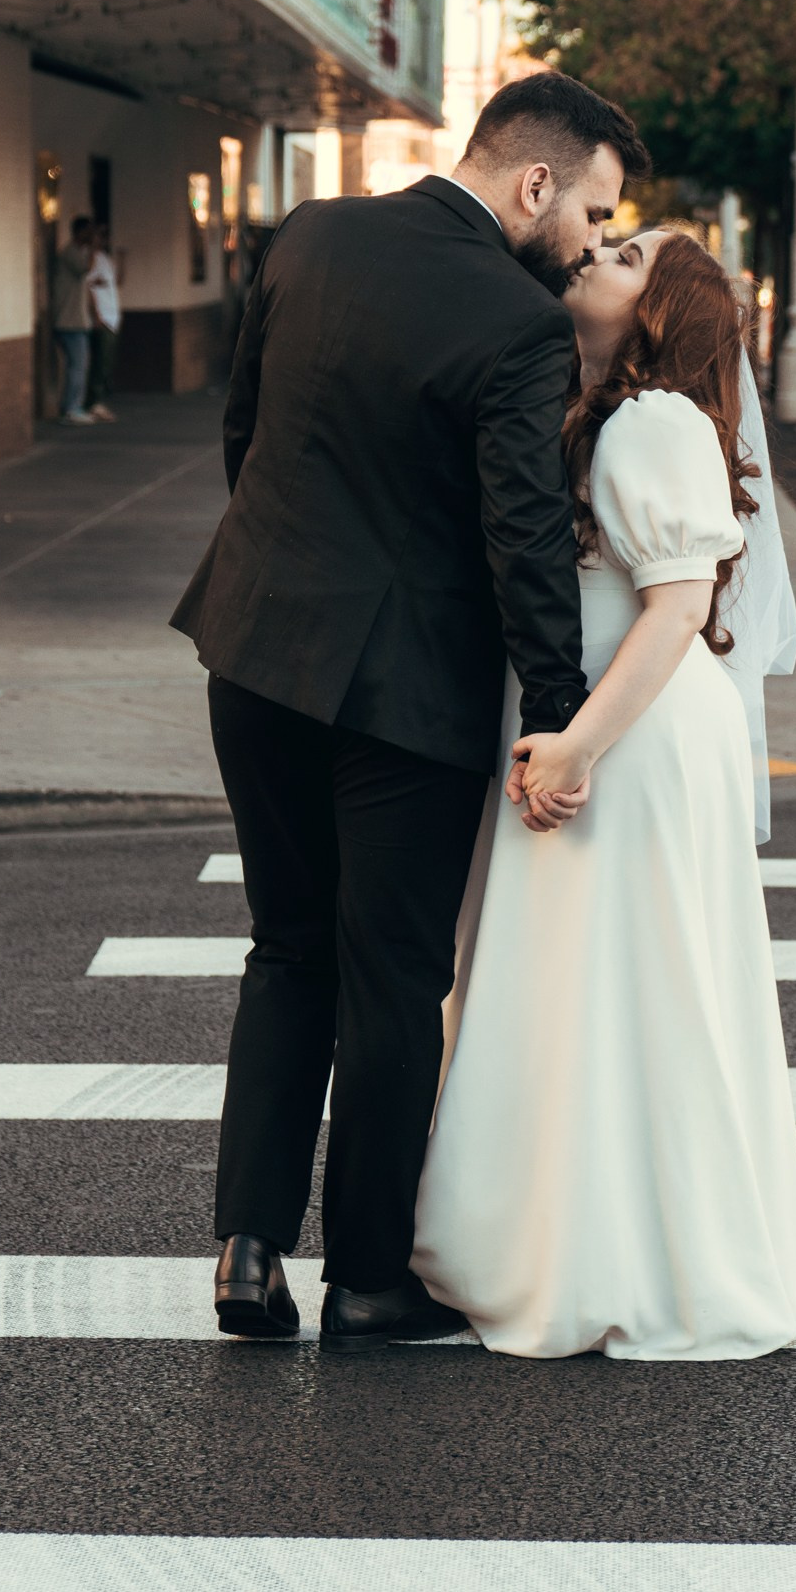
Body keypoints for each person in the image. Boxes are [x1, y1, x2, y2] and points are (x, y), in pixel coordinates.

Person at [170, 72, 646, 1347]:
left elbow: (243, 431)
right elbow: (524, 542)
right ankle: (370, 1276)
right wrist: (558, 716)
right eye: (593, 216)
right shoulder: (516, 322)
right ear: (533, 184)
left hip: (254, 652)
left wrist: (281, 575)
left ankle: (248, 1252)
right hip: (405, 697)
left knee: (286, 948)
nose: (595, 245)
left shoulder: (310, 233)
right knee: (392, 981)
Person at [414, 230, 796, 1360]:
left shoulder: (654, 422)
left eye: (628, 253)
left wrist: (576, 748)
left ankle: (620, 1259)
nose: (598, 250)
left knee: (618, 987)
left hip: (627, 735)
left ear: (661, 311)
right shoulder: (597, 414)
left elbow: (678, 606)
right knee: (590, 989)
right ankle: (581, 1243)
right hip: (605, 730)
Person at [51, 217, 96, 425]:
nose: (92, 236)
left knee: (78, 364)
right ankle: (71, 408)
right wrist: (94, 249)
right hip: (69, 321)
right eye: (88, 232)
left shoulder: (76, 252)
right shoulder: (70, 253)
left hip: (76, 320)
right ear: (79, 232)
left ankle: (71, 406)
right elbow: (85, 268)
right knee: (78, 365)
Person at [86, 226, 122, 422]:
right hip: (103, 317)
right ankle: (93, 401)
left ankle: (97, 400)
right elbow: (88, 285)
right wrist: (96, 314)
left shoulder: (105, 259)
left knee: (106, 360)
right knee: (100, 361)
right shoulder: (91, 259)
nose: (103, 240)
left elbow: (117, 281)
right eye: (99, 236)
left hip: (113, 316)